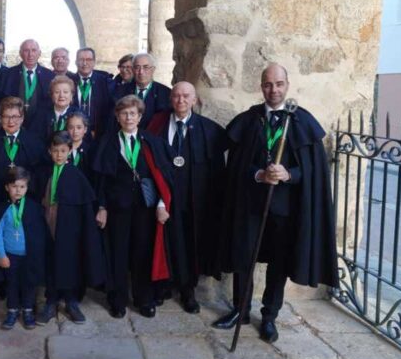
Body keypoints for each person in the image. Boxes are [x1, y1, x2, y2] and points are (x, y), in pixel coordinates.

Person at [213, 63, 338, 343]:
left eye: (279, 84)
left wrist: (288, 174)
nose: (273, 90)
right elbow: (236, 166)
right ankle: (241, 310)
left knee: (278, 263)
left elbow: (313, 171)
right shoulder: (249, 120)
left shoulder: (302, 121)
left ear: (287, 85)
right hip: (250, 205)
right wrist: (258, 174)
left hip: (284, 209)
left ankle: (269, 316)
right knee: (243, 256)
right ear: (261, 87)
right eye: (268, 84)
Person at [146, 81, 227, 313]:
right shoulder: (156, 126)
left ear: (194, 100)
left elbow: (216, 172)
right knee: (163, 241)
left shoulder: (209, 130)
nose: (181, 100)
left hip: (194, 201)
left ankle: (187, 290)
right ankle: (162, 285)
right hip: (164, 198)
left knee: (190, 244)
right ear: (170, 99)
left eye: (186, 96)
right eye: (176, 96)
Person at [93, 95, 173, 319]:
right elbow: (100, 180)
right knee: (117, 253)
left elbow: (163, 177)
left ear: (140, 117)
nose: (128, 117)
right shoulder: (107, 142)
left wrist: (162, 204)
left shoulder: (152, 142)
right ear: (117, 117)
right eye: (124, 113)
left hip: (145, 208)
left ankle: (144, 298)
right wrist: (102, 207)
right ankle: (117, 299)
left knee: (143, 252)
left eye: (133, 113)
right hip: (117, 208)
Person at [36, 132, 104, 326]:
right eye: (55, 151)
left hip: (69, 229)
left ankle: (71, 302)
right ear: (49, 151)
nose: (59, 155)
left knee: (69, 264)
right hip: (48, 225)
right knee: (50, 263)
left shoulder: (76, 175)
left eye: (63, 151)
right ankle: (51, 301)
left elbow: (84, 207)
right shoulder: (44, 173)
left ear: (70, 151)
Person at [0, 167, 48, 330]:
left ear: (27, 188)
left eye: (22, 186)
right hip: (10, 256)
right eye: (14, 186)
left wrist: (36, 255)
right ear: (7, 187)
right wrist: (2, 255)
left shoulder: (33, 208)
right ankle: (12, 311)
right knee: (12, 284)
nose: (18, 190)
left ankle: (28, 311)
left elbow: (39, 234)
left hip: (29, 256)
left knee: (29, 284)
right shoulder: (4, 209)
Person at [0, 96, 49, 199]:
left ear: (22, 118)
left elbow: (39, 173)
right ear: (0, 118)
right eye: (6, 117)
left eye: (15, 117)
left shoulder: (34, 142)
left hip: (27, 196)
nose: (11, 121)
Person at [0, 39, 55, 122]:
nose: (30, 54)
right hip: (13, 123)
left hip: (41, 124)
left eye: (34, 50)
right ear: (20, 53)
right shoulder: (8, 74)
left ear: (39, 53)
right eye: (26, 50)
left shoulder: (50, 76)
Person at [113, 53, 171, 129]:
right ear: (133, 70)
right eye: (137, 67)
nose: (141, 72)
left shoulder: (165, 93)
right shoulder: (120, 91)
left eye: (146, 67)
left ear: (153, 69)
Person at [72, 47, 115, 137]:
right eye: (81, 60)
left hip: (99, 134)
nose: (85, 63)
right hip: (74, 133)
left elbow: (110, 109)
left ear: (94, 62)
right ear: (76, 62)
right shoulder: (69, 81)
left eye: (89, 60)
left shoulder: (105, 82)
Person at [26, 75, 79, 145]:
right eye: (57, 92)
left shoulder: (78, 115)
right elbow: (33, 139)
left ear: (71, 95)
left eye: (65, 92)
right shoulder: (40, 115)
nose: (61, 95)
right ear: (51, 95)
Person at [65, 110, 94, 182]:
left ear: (85, 129)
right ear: (67, 129)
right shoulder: (63, 150)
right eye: (71, 127)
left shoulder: (91, 151)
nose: (75, 131)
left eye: (79, 127)